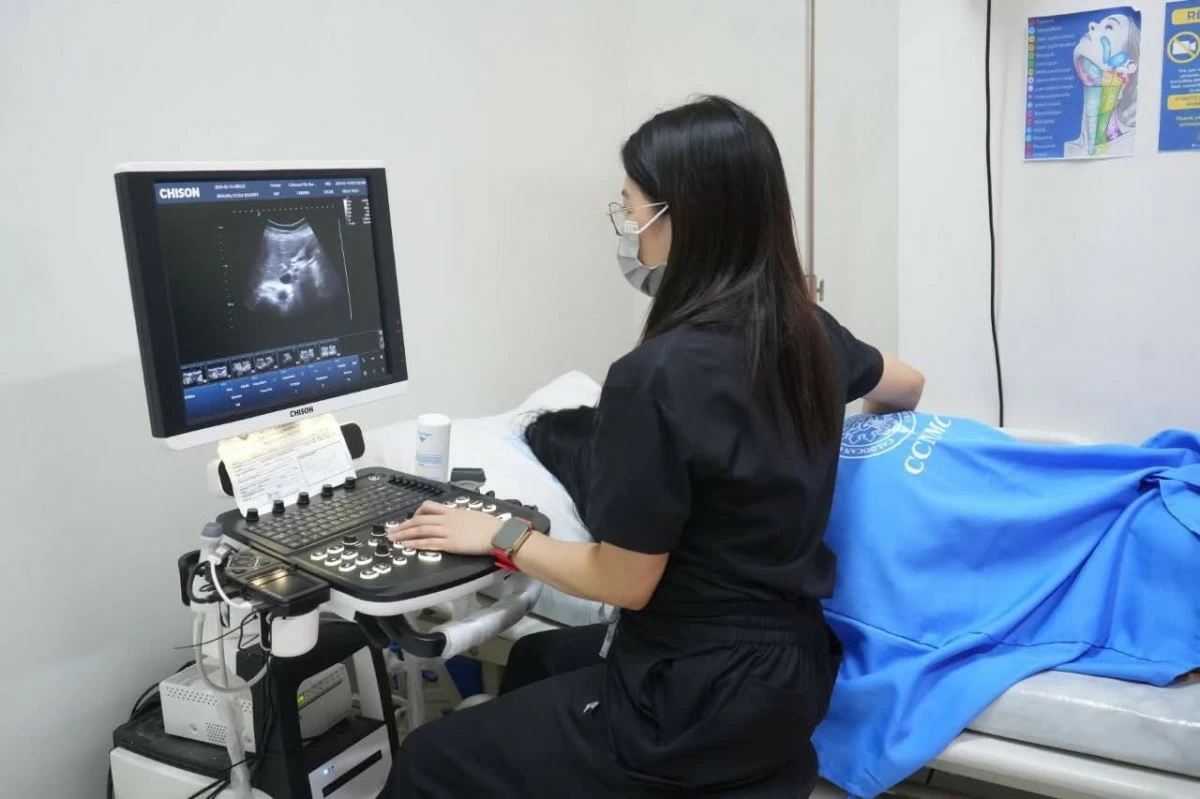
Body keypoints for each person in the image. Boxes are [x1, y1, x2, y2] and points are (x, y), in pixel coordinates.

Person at [381, 95, 925, 797]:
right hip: (790, 672)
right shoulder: (807, 329)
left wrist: (500, 532)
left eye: (632, 207)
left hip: (694, 698)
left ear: (682, 219)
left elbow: (622, 580)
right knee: (538, 661)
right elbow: (907, 384)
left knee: (431, 757)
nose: (630, 227)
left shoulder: (653, 378)